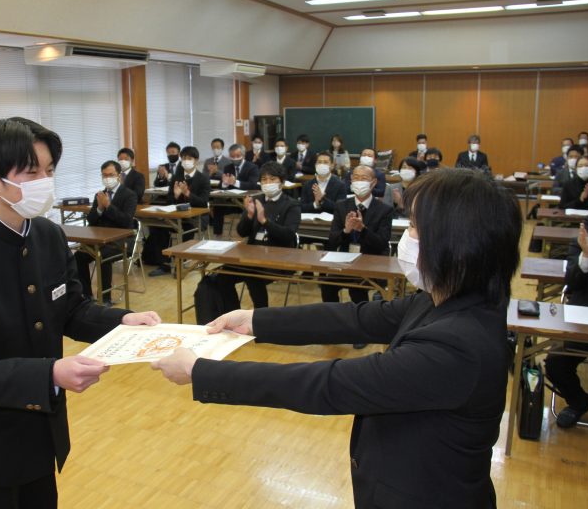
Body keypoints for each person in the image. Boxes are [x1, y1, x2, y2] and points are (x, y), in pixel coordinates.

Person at [153, 168, 522, 509]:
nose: (406, 238)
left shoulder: (458, 346)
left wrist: (203, 372)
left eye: (414, 228)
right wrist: (255, 320)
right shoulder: (446, 300)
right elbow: (355, 317)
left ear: (455, 245)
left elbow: (330, 384)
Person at [0, 117, 161, 509]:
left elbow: (70, 309)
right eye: (31, 172)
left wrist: (121, 320)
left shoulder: (48, 236)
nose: (44, 181)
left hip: (41, 431)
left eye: (49, 171)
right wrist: (49, 373)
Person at [320, 165, 393, 350]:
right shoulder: (341, 205)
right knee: (327, 283)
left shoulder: (384, 210)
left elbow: (382, 244)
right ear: (351, 181)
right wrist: (346, 231)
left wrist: (362, 229)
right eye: (356, 177)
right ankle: (332, 328)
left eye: (364, 178)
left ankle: (361, 330)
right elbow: (331, 241)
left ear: (373, 182)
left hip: (371, 261)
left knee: (358, 288)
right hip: (345, 260)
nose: (359, 181)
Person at [214, 162, 301, 308]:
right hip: (252, 256)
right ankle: (233, 314)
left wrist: (264, 221)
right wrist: (249, 215)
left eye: (272, 179)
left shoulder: (291, 205)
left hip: (279, 258)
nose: (267, 183)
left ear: (282, 182)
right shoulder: (256, 199)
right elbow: (241, 232)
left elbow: (288, 236)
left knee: (252, 275)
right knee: (222, 276)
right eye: (264, 180)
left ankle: (260, 316)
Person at [545, 216, 588, 428]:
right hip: (584, 318)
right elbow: (572, 282)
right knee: (555, 363)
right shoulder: (586, 233)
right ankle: (578, 402)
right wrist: (587, 254)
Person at [75, 160, 137, 304]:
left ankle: (106, 298)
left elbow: (126, 221)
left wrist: (109, 206)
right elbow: (91, 219)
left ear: (119, 176)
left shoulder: (129, 195)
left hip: (122, 240)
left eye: (111, 175)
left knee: (102, 256)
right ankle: (86, 295)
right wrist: (100, 209)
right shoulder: (100, 195)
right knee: (79, 256)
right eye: (104, 175)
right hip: (101, 239)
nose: (107, 178)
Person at [148, 146, 211, 277]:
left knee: (186, 228)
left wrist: (187, 193)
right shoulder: (176, 177)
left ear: (196, 160)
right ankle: (164, 264)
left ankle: (181, 264)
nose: (186, 161)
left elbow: (203, 203)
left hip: (196, 218)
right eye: (184, 158)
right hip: (176, 216)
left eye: (189, 158)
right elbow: (169, 201)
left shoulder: (203, 178)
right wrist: (176, 196)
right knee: (157, 227)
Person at [211, 144, 260, 237]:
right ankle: (218, 234)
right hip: (232, 200)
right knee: (218, 206)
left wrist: (235, 182)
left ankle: (247, 234)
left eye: (238, 156)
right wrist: (225, 183)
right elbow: (221, 185)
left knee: (248, 210)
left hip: (246, 201)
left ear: (243, 155)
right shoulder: (228, 167)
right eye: (232, 157)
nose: (235, 159)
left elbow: (253, 185)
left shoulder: (252, 167)